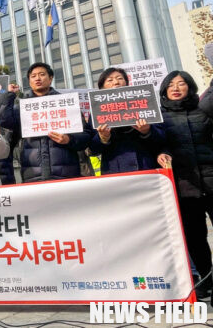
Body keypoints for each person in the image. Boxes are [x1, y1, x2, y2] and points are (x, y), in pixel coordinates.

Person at [156, 71, 213, 299]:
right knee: (195, 236)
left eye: (181, 84)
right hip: (183, 185)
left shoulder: (204, 111)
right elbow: (157, 143)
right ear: (164, 90)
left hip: (210, 179)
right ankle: (206, 278)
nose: (176, 88)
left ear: (190, 87)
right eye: (171, 85)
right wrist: (161, 153)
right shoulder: (158, 116)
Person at [0, 62, 92, 182]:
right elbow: (4, 120)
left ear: (51, 78)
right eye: (33, 76)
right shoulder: (22, 107)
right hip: (32, 175)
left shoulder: (67, 104)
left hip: (67, 175)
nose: (37, 78)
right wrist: (9, 95)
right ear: (29, 81)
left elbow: (85, 136)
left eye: (42, 74)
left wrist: (69, 139)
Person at [88, 67, 165, 174]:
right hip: (114, 170)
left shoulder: (144, 104)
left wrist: (147, 131)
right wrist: (103, 138)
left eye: (120, 78)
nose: (116, 82)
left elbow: (162, 138)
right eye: (110, 80)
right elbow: (92, 148)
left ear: (126, 83)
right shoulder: (97, 111)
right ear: (102, 87)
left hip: (145, 166)